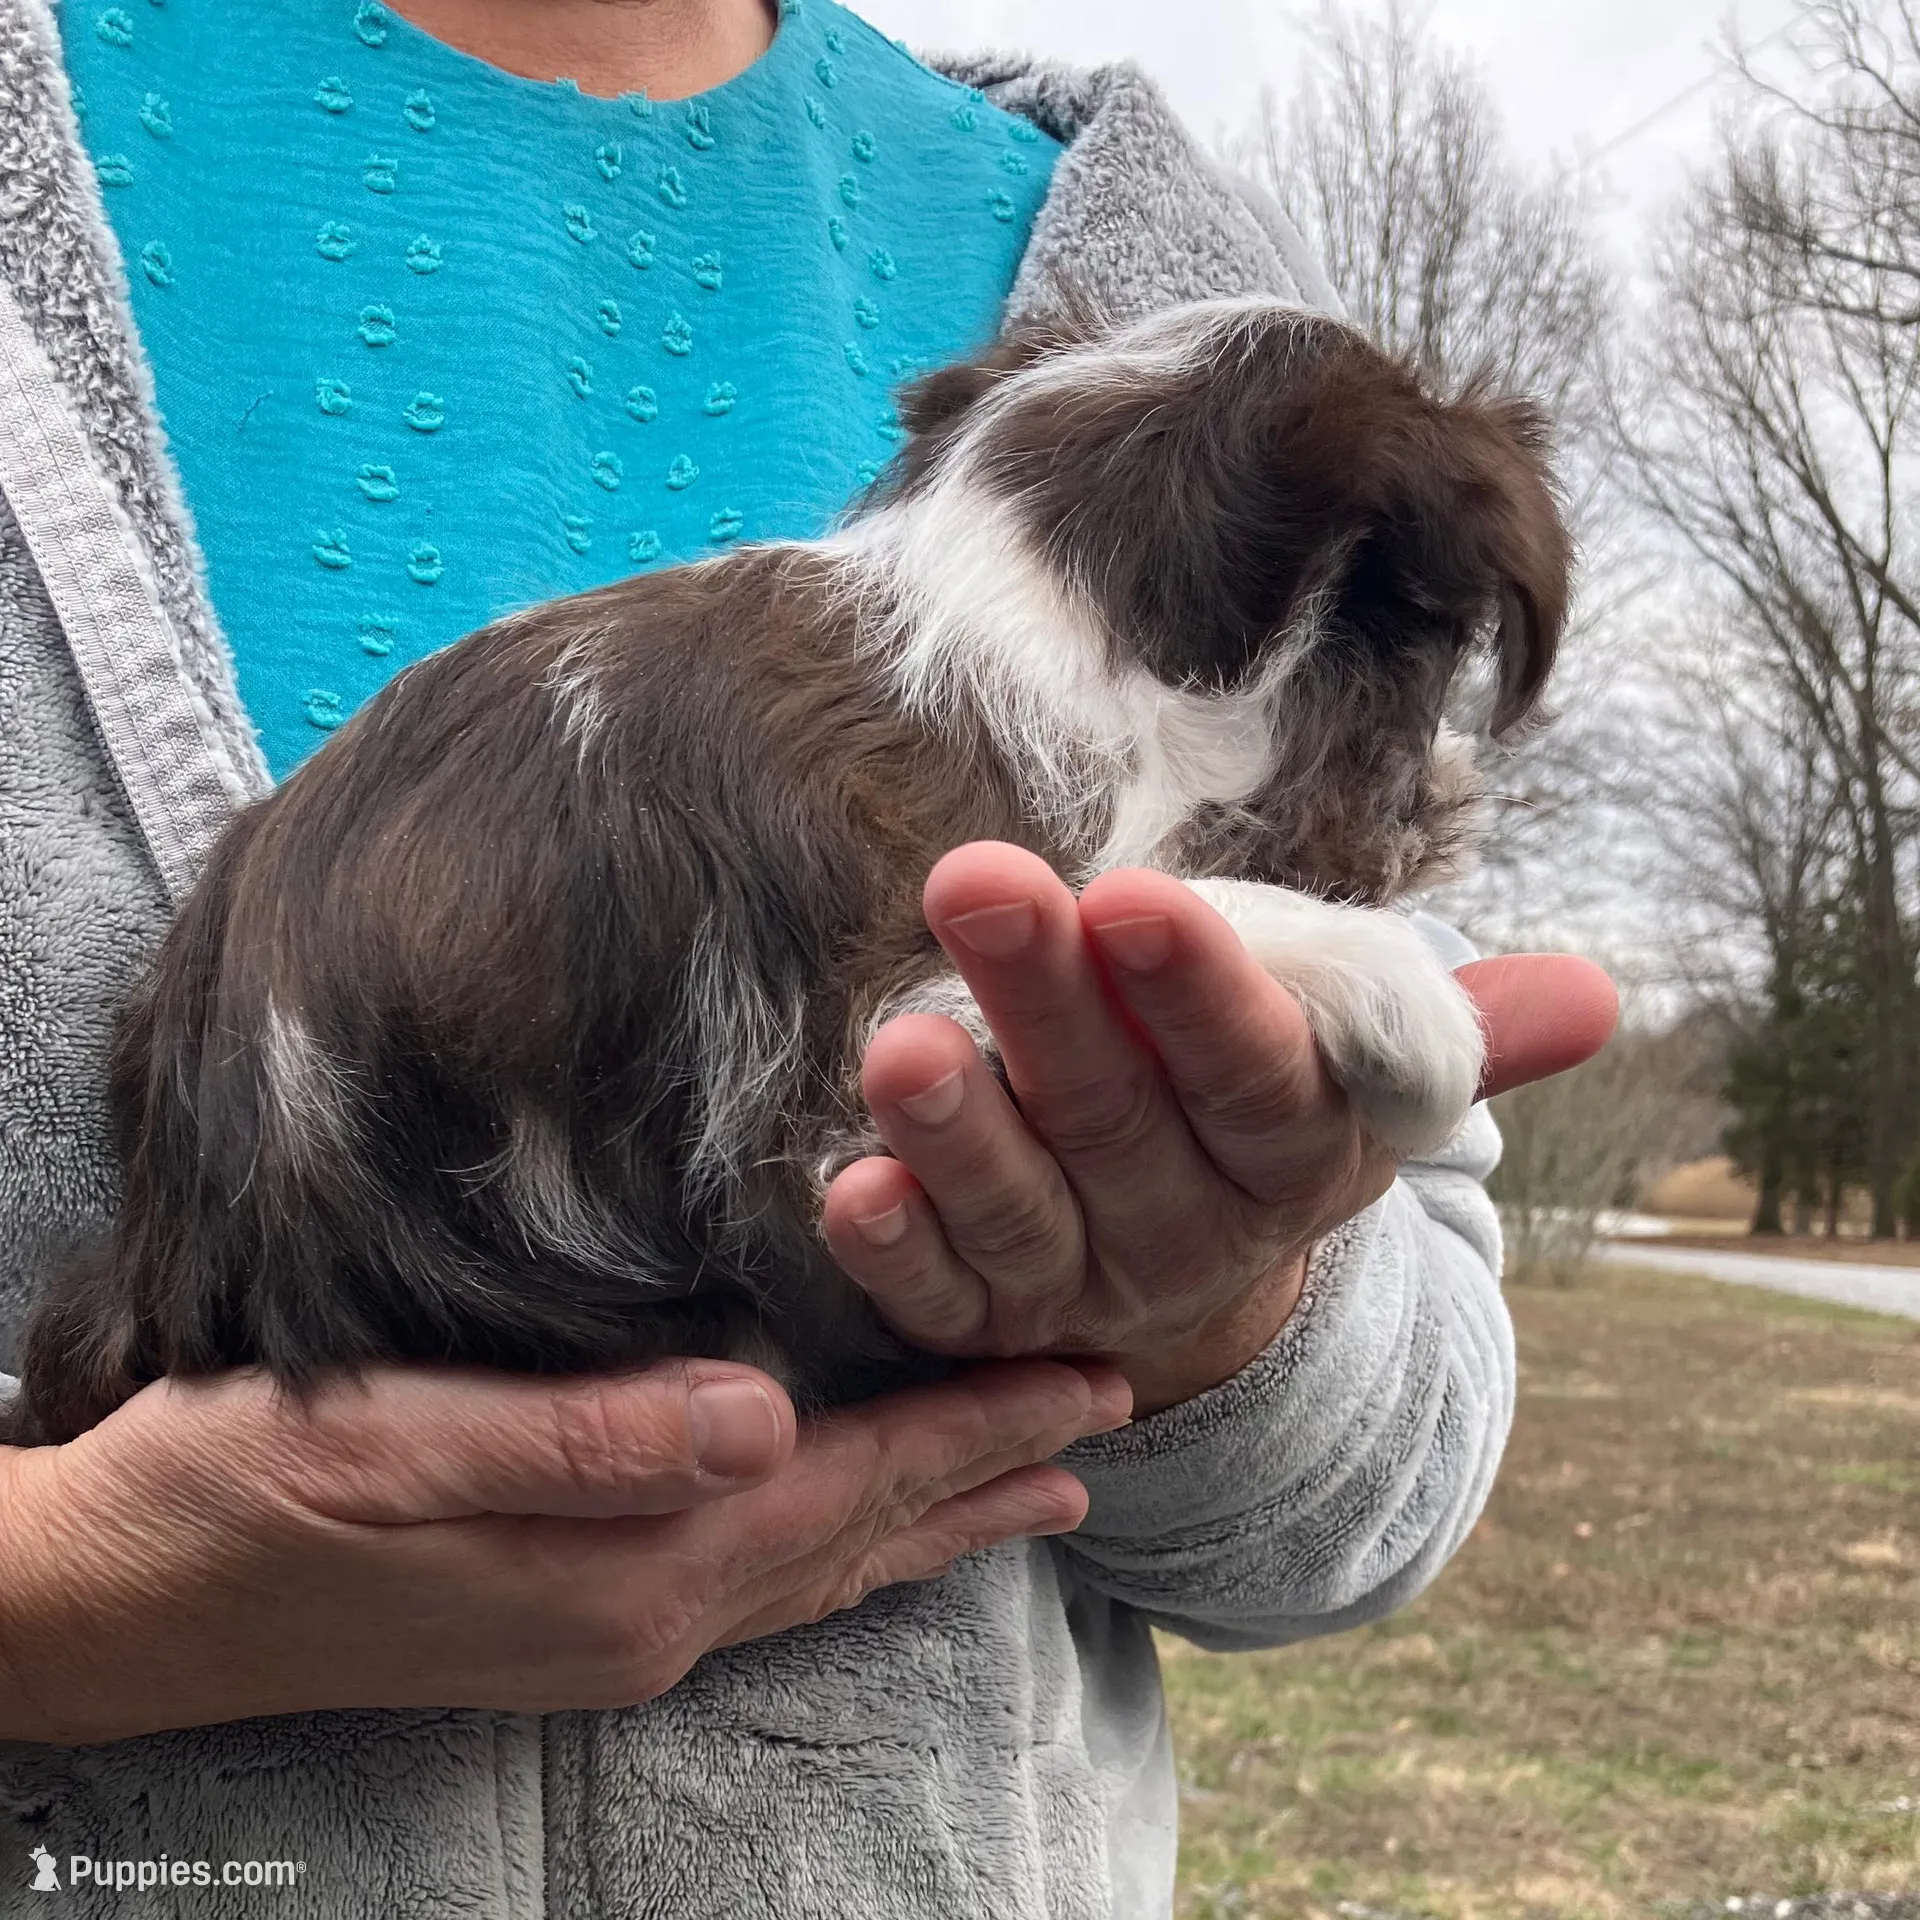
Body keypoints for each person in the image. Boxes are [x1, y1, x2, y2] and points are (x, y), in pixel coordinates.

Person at [0, 0, 1617, 1912]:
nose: (1417, 798)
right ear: (1285, 623)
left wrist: (1217, 1303)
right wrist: (68, 1600)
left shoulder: (1124, 269)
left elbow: (1379, 1494)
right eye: (1409, 713)